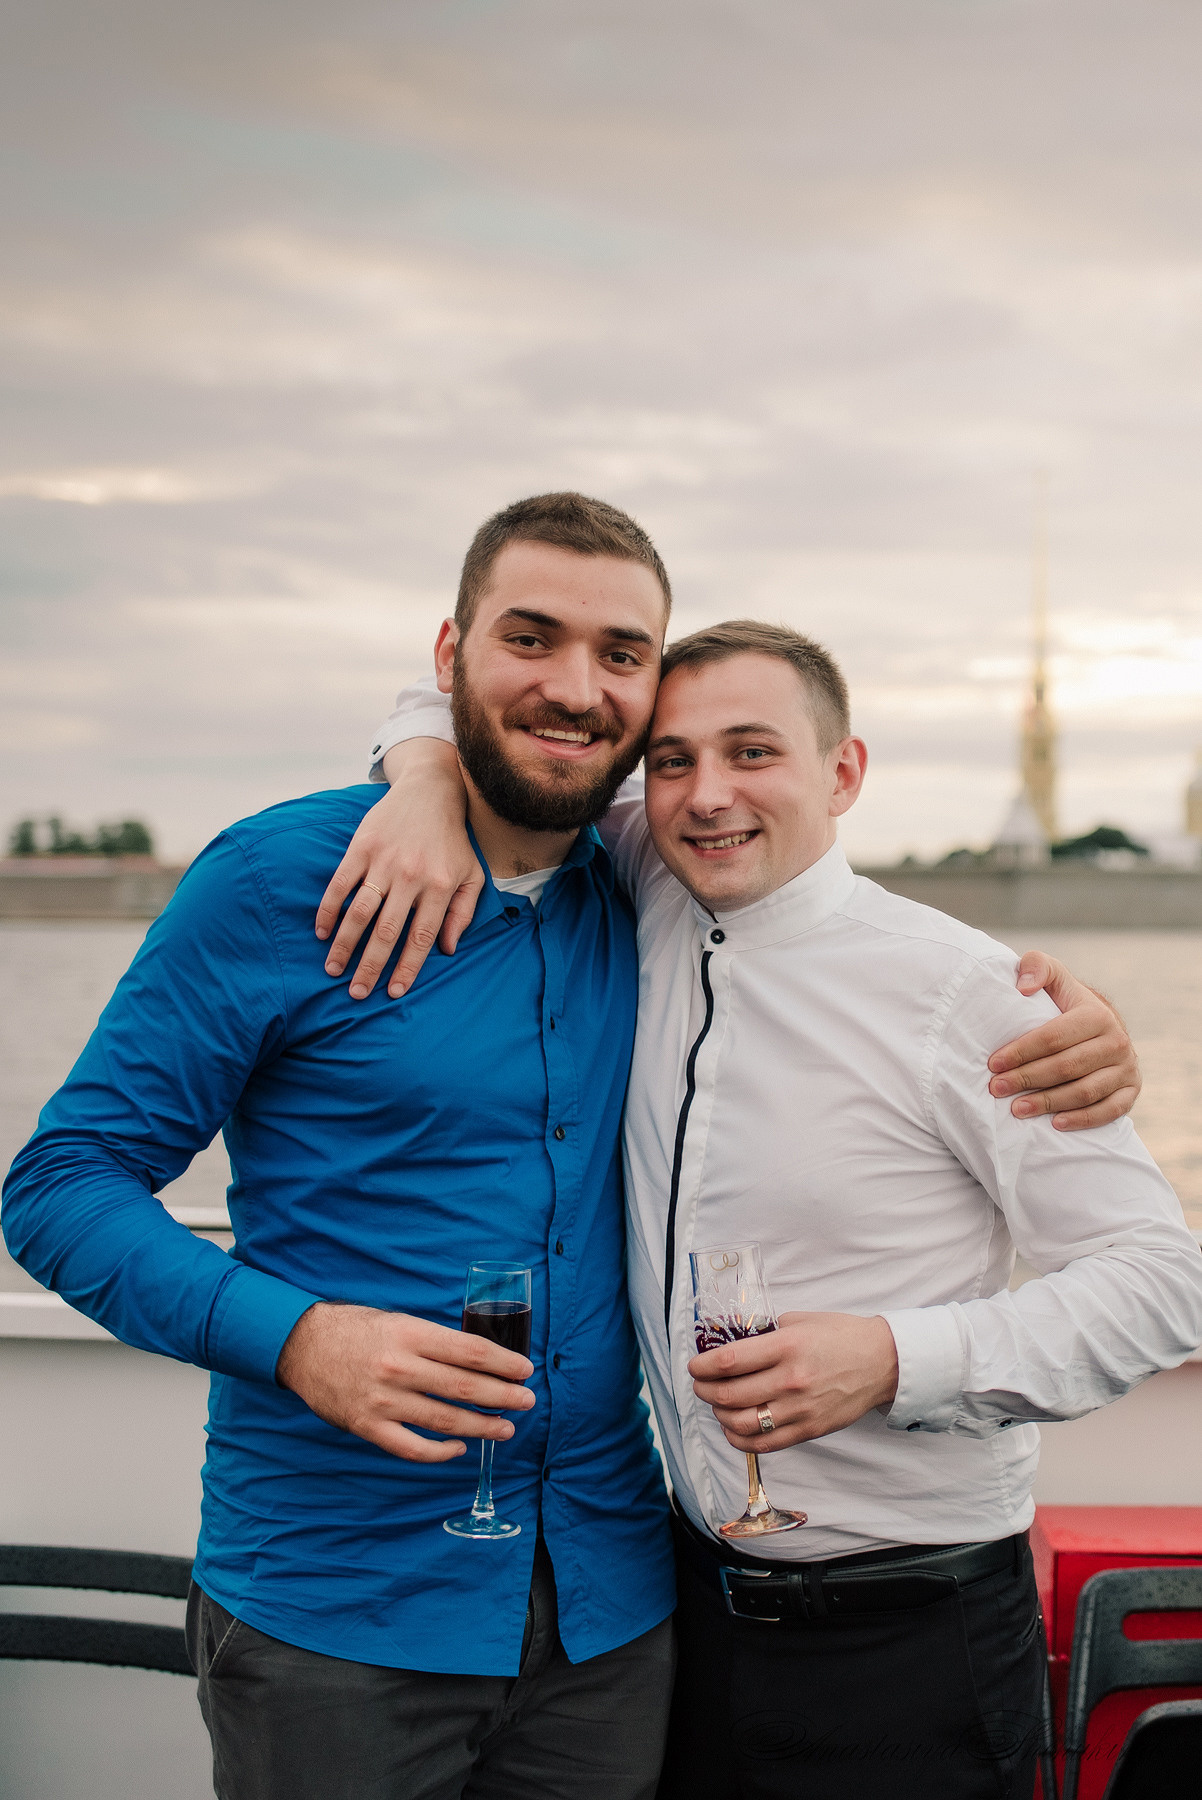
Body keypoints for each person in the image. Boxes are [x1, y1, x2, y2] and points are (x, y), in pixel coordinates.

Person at [4, 495, 1139, 1800]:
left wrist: (1052, 1021)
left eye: (620, 655)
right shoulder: (276, 883)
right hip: (338, 1609)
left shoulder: (644, 870)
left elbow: (829, 913)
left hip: (614, 1621)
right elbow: (60, 1187)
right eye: (529, 637)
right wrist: (301, 1338)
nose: (575, 687)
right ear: (449, 655)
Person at [356, 606, 1199, 1799]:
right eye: (671, 760)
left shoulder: (973, 996)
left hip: (909, 1641)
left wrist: (893, 1358)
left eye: (752, 753)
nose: (707, 795)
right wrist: (420, 781)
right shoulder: (641, 877)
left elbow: (1162, 1286)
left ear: (841, 773)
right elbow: (481, 718)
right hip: (683, 1621)